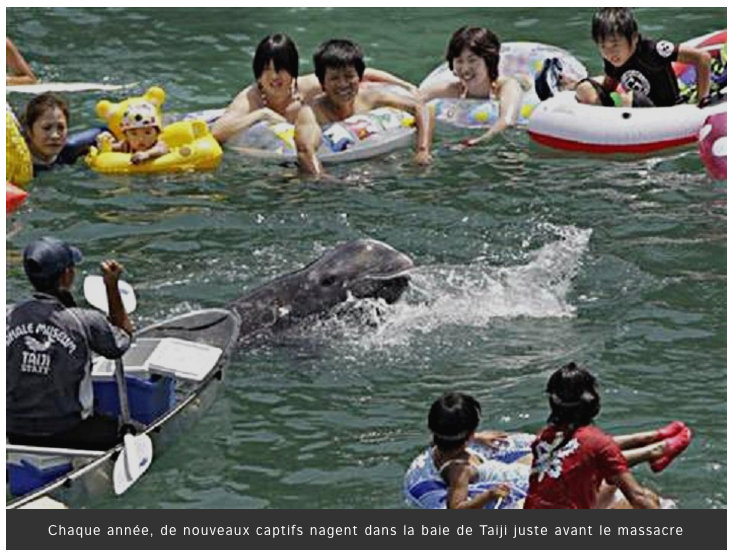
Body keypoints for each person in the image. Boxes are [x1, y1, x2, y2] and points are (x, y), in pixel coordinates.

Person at [6, 237, 133, 451]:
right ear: (67, 275)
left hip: (12, 429)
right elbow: (121, 340)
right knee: (134, 428)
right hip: (68, 431)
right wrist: (111, 286)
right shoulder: (84, 320)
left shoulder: (8, 316)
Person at [524, 362, 692, 509]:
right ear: (593, 402)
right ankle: (655, 450)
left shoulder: (544, 438)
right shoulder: (598, 443)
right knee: (648, 497)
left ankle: (649, 441)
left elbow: (584, 449)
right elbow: (638, 498)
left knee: (608, 479)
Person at [212, 33, 418, 144]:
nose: (275, 77)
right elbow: (217, 132)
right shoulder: (251, 98)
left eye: (281, 69)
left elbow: (364, 74)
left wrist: (404, 85)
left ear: (292, 70)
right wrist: (261, 114)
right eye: (267, 70)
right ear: (258, 72)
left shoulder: (304, 86)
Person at [294, 39, 433, 177]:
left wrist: (422, 150)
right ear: (322, 82)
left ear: (359, 77)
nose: (343, 84)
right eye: (334, 78)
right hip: (334, 169)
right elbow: (305, 151)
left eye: (349, 76)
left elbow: (420, 107)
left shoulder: (369, 97)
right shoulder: (311, 112)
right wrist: (323, 178)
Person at [540, 8, 712, 108]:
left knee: (627, 98)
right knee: (585, 89)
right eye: (602, 46)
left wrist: (701, 99)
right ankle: (565, 85)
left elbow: (703, 58)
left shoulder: (654, 50)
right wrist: (579, 85)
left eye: (615, 45)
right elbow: (609, 86)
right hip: (631, 110)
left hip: (667, 109)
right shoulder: (612, 58)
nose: (609, 52)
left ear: (634, 38)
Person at [420, 27, 525, 147]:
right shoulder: (454, 89)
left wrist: (476, 142)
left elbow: (507, 121)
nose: (465, 69)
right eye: (459, 61)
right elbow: (416, 97)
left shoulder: (507, 87)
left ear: (488, 61)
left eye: (472, 60)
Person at [427, 392, 513, 509]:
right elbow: (455, 508)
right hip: (516, 478)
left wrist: (476, 437)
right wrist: (489, 495)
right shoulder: (459, 470)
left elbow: (446, 434)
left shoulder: (436, 446)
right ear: (470, 434)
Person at [20, 93, 101, 173]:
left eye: (61, 127)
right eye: (47, 128)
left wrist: (106, 140)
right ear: (29, 131)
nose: (55, 135)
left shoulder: (70, 150)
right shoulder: (16, 161)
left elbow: (102, 131)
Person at [95, 100, 169, 164]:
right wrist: (105, 143)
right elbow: (110, 148)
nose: (141, 139)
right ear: (126, 136)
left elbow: (162, 150)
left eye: (147, 133)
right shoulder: (126, 145)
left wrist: (147, 154)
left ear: (157, 133)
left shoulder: (158, 145)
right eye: (134, 134)